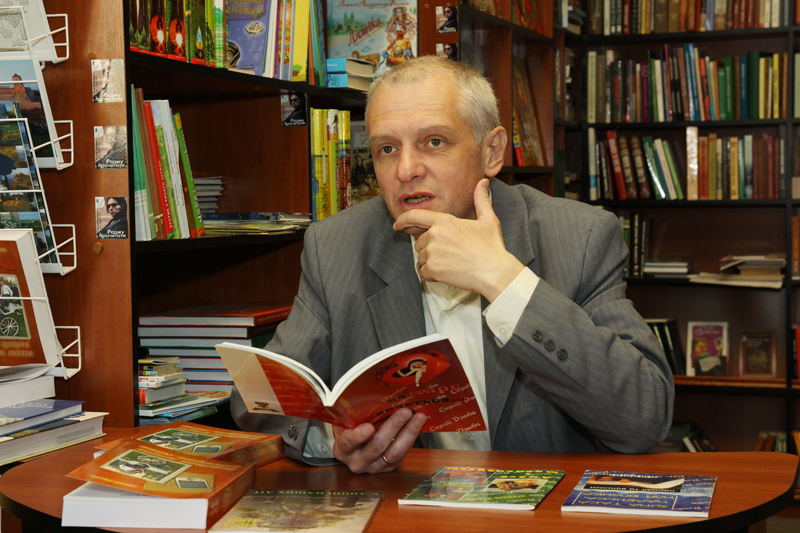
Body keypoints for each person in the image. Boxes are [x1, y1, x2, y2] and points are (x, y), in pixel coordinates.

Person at [232, 56, 674, 474]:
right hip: (408, 508)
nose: (406, 169)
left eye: (434, 142)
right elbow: (255, 400)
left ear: (492, 151)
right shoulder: (335, 247)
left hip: (544, 509)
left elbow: (644, 416)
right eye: (387, 148)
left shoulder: (579, 236)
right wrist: (332, 439)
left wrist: (503, 279)